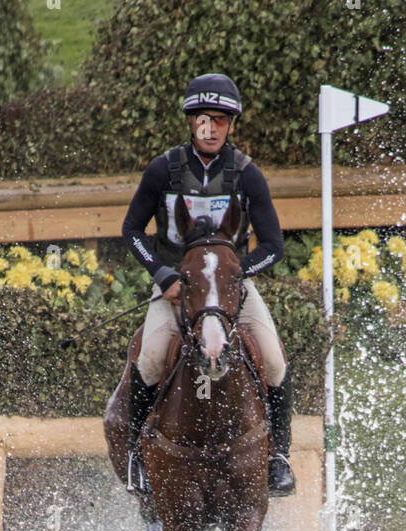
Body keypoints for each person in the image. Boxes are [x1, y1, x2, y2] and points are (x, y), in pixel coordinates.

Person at [121, 72, 296, 497]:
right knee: (148, 360)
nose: (211, 127)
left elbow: (274, 245)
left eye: (220, 120)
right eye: (204, 118)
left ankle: (278, 457)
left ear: (231, 125)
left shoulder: (247, 174)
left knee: (273, 362)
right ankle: (136, 456)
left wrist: (234, 277)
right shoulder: (163, 170)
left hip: (232, 291)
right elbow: (130, 230)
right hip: (176, 288)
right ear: (190, 122)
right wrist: (162, 275)